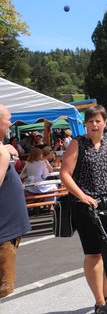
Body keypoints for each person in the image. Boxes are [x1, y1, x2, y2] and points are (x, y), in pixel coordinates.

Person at [59, 105, 107, 311]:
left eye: (98, 121)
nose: (94, 124)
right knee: (94, 254)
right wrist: (83, 196)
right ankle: (100, 302)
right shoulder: (78, 144)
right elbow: (64, 173)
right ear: (86, 124)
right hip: (87, 208)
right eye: (90, 121)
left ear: (105, 122)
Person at [0, 104, 31, 299]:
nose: (11, 123)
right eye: (8, 119)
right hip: (3, 234)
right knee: (4, 291)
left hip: (6, 232)